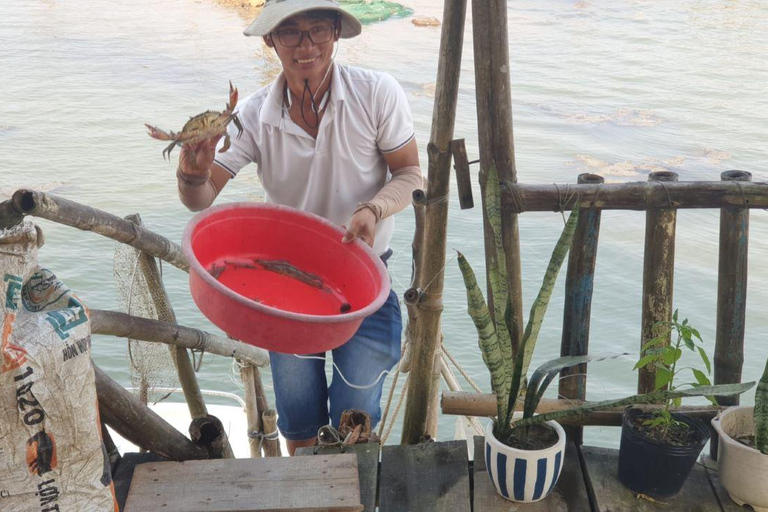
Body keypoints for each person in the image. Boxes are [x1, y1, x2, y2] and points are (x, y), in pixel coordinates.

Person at [174, 0, 422, 455]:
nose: (306, 46)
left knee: (356, 417)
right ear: (270, 40)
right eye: (290, 33)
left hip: (366, 281)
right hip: (284, 291)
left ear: (336, 33)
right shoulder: (250, 116)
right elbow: (202, 199)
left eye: (318, 31)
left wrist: (374, 208)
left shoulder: (376, 93)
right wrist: (191, 172)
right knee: (299, 418)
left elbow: (410, 174)